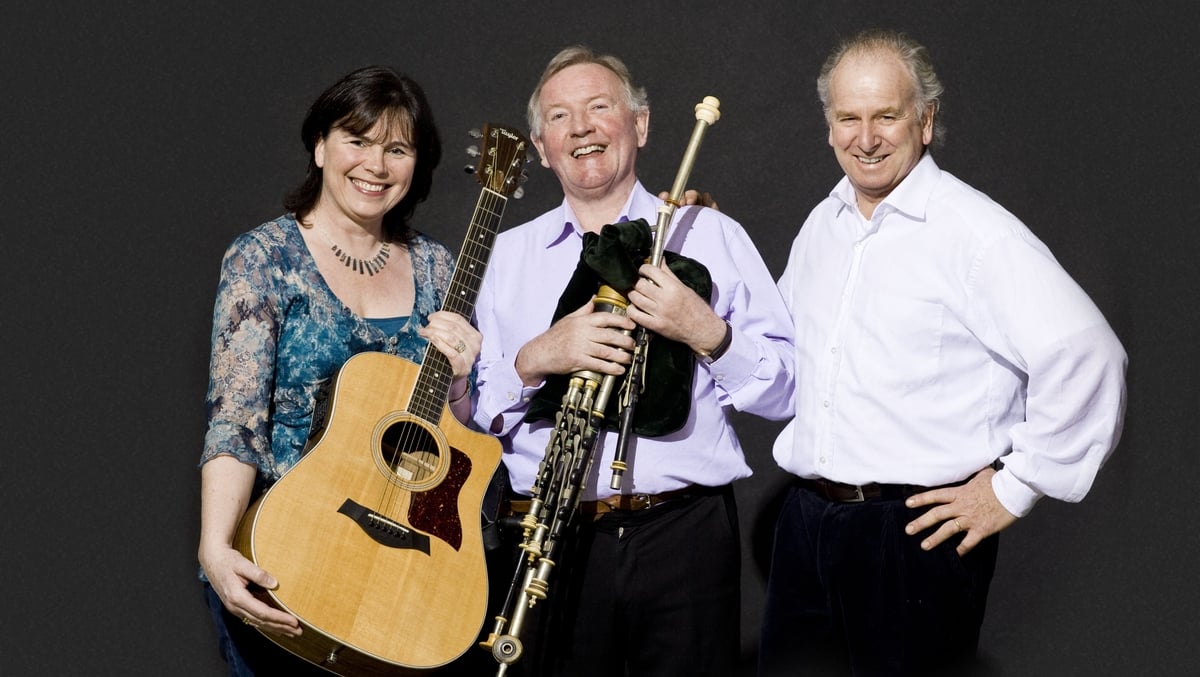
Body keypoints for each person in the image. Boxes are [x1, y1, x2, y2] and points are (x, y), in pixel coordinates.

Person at [760, 29, 1128, 676]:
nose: (865, 137)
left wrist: (1015, 487)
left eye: (886, 116)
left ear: (925, 120)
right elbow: (783, 356)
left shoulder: (974, 233)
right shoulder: (824, 224)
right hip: (807, 527)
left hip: (910, 541)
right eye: (849, 117)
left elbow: (1089, 352)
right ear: (829, 126)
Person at [472, 45, 796, 677]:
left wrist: (707, 332)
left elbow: (785, 393)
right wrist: (537, 357)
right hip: (548, 536)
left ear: (641, 126)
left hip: (683, 539)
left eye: (600, 107)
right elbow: (469, 419)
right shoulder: (504, 258)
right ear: (541, 146)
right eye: (561, 117)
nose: (583, 128)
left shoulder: (712, 236)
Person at [197, 66, 482, 676]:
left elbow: (454, 441)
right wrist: (216, 547)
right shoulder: (264, 258)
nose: (376, 166)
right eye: (358, 140)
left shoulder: (437, 268)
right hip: (291, 552)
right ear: (320, 145)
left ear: (417, 165)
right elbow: (235, 420)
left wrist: (459, 381)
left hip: (404, 576)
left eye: (397, 149)